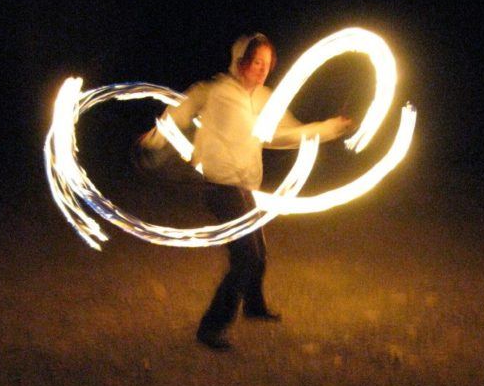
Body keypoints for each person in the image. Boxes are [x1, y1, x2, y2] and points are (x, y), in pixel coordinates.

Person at [139, 33, 351, 350]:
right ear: (241, 62)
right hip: (221, 185)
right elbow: (178, 114)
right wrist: (153, 139)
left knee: (258, 253)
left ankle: (254, 306)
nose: (263, 69)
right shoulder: (213, 92)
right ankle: (211, 328)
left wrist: (331, 128)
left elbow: (286, 134)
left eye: (267, 64)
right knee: (247, 257)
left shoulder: (266, 100)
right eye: (256, 62)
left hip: (247, 186)